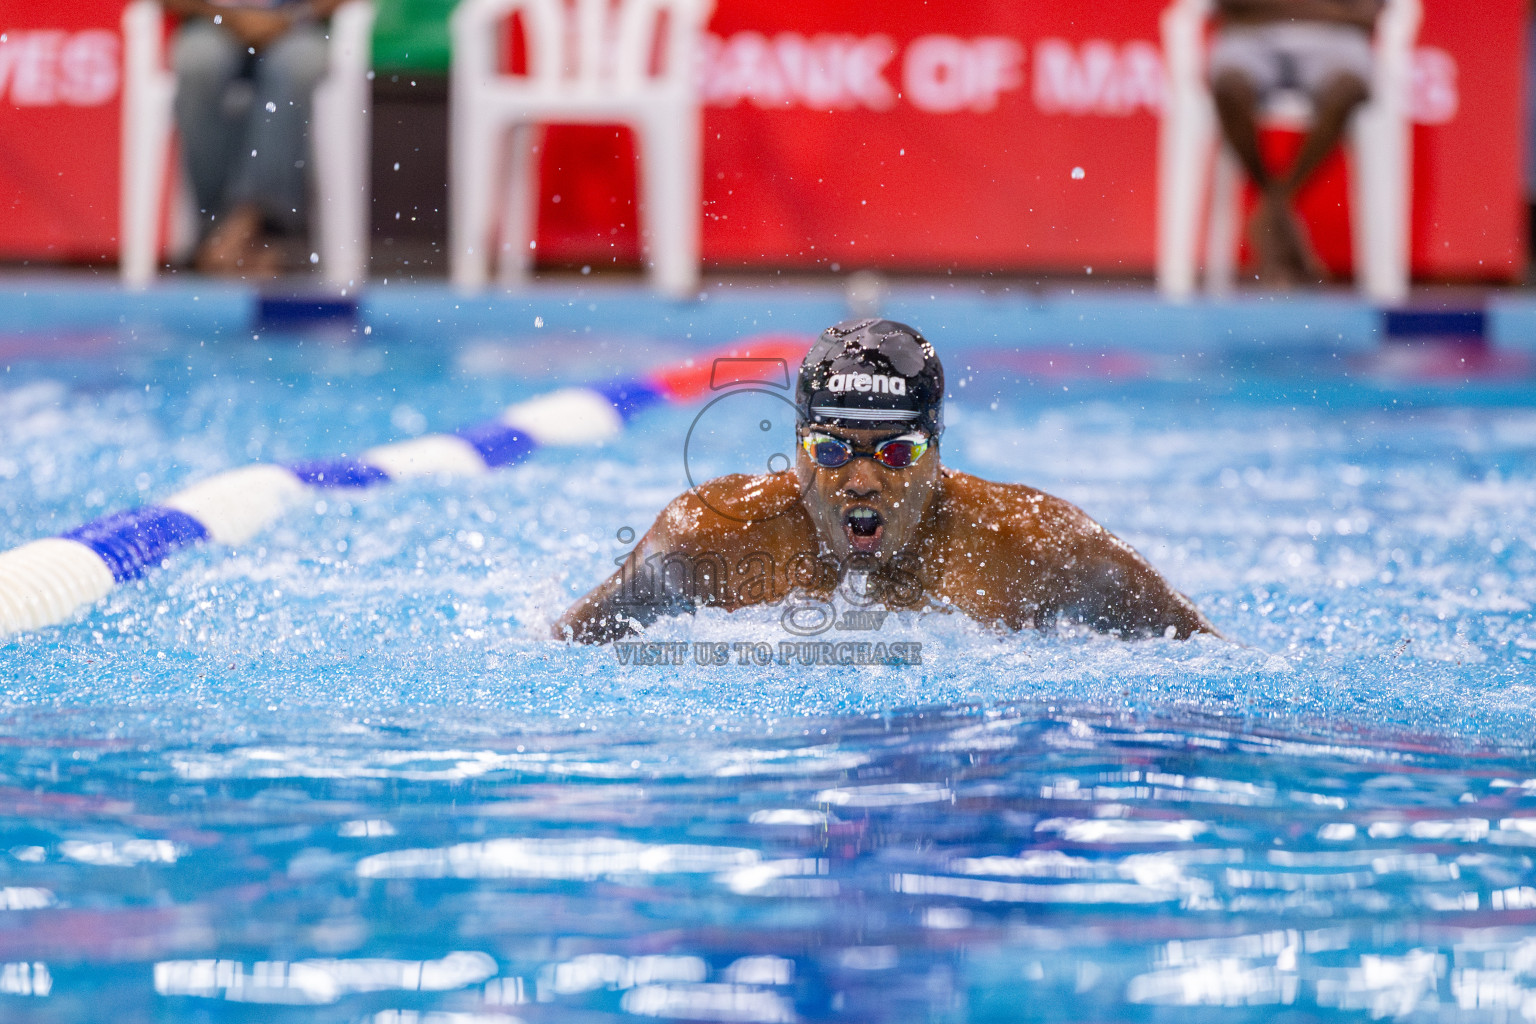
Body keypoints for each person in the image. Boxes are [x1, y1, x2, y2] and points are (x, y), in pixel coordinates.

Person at [555, 319, 1216, 644]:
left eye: (895, 452)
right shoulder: (706, 540)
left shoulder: (1039, 548)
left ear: (936, 453)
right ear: (797, 446)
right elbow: (564, 654)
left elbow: (1208, 665)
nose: (861, 480)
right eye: (833, 449)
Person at [160, 0, 347, 276]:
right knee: (198, 63)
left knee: (296, 67)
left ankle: (249, 223)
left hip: (299, 25)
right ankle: (223, 229)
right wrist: (229, 17)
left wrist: (291, 17)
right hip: (212, 22)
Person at [1207, 0, 1383, 286]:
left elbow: (1368, 11)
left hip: (1336, 36)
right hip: (1251, 34)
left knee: (1348, 87)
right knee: (1229, 88)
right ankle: (1279, 211)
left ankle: (1272, 210)